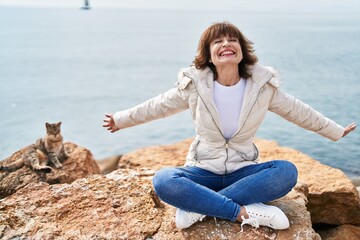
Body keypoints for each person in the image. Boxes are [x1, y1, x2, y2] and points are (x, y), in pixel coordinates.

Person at [103, 22, 356, 231]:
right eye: (218, 41)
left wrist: (334, 130)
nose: (226, 44)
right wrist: (121, 119)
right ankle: (242, 212)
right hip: (202, 171)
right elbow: (157, 106)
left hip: (242, 170)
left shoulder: (262, 86)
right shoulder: (194, 85)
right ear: (209, 54)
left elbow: (298, 111)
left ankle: (198, 207)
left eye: (232, 40)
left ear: (242, 49)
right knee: (164, 180)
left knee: (286, 171)